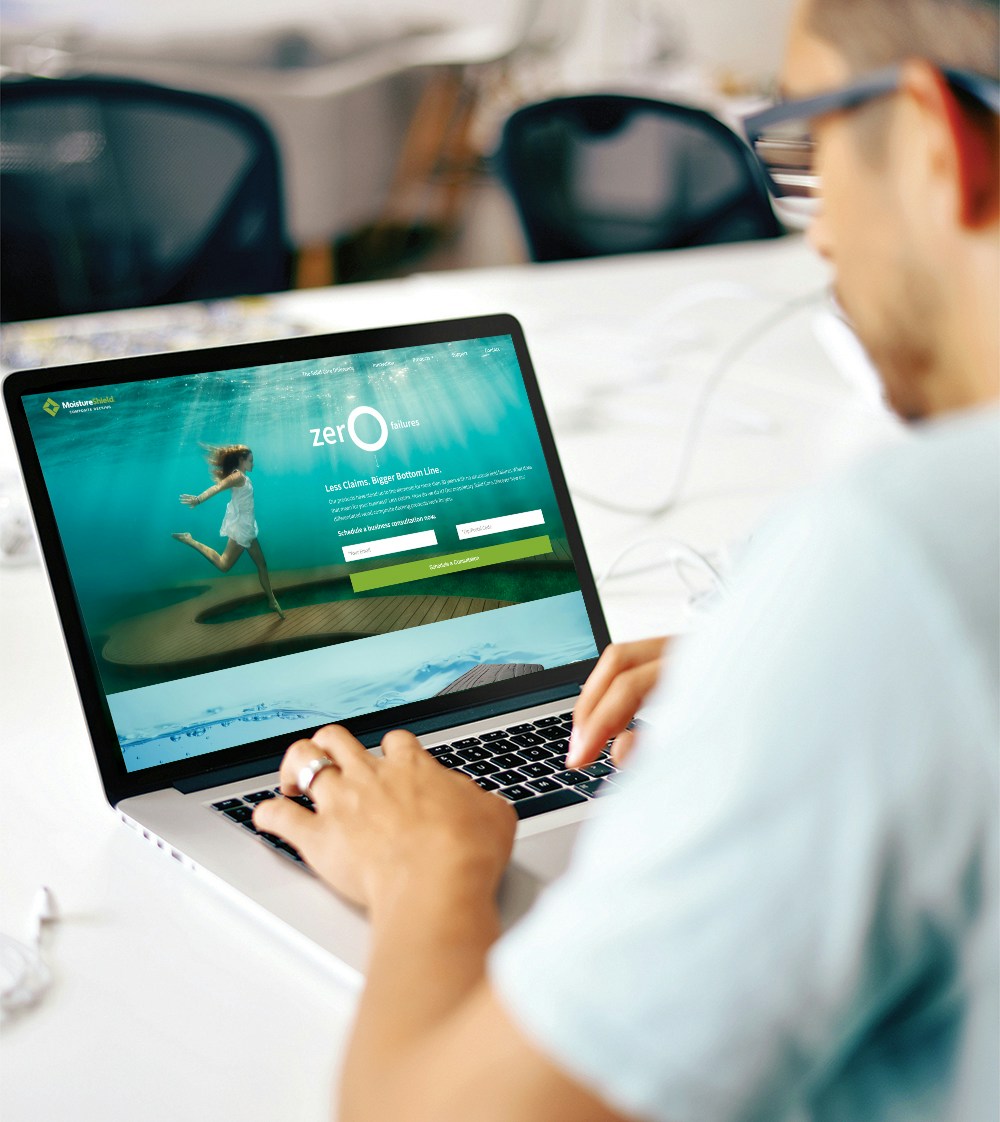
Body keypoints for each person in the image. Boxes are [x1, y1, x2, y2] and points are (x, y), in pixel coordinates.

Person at [254, 0, 999, 1117]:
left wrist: (428, 875)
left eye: (799, 148)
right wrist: (794, 684)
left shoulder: (895, 561)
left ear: (931, 135)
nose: (816, 232)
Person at [173, 444, 284, 619]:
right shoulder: (237, 476)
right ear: (242, 460)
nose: (253, 464)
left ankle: (272, 600)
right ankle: (190, 540)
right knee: (224, 565)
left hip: (248, 527)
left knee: (262, 565)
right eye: (251, 461)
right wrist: (198, 500)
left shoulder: (243, 477)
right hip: (242, 529)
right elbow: (217, 488)